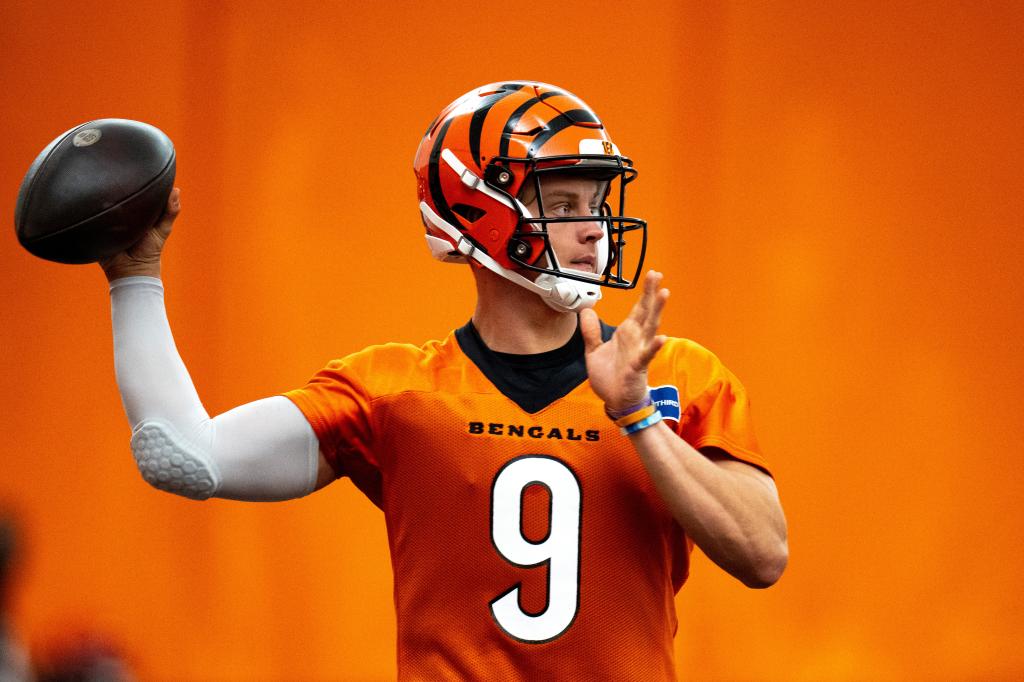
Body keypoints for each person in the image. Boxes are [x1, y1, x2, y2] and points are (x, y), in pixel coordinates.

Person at [102, 81, 788, 679]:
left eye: (597, 202)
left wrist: (639, 416)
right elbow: (186, 457)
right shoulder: (393, 391)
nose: (595, 229)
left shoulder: (679, 376)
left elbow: (764, 554)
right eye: (565, 202)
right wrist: (134, 278)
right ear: (478, 210)